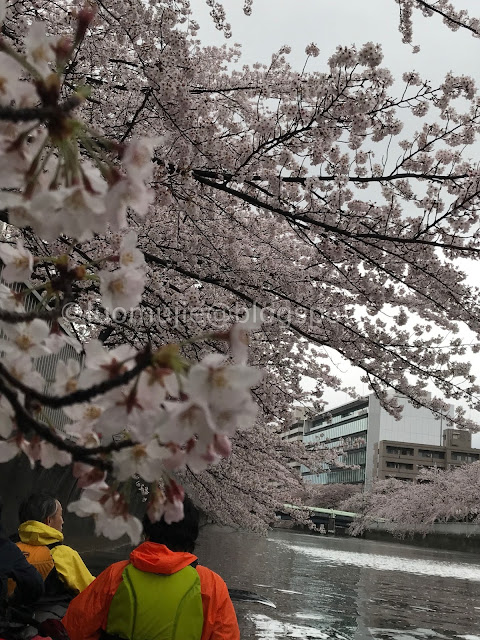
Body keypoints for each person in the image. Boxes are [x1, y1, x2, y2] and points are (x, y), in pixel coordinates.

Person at [62, 497, 240, 640]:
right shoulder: (211, 585)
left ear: (147, 530)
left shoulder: (115, 575)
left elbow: (74, 628)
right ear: (191, 536)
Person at [13, 492, 95, 620]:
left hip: (15, 623)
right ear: (49, 521)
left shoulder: (10, 549)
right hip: (53, 625)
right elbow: (92, 591)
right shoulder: (62, 553)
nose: (62, 521)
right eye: (60, 515)